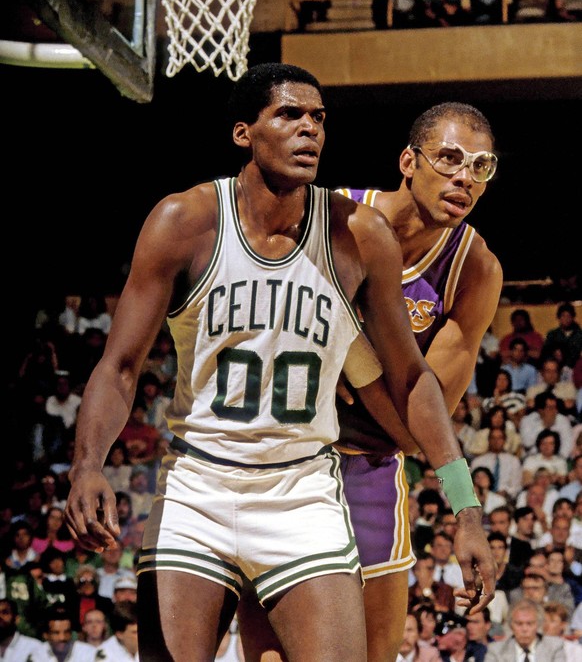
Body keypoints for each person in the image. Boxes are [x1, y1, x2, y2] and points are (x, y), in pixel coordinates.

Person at [64, 65, 495, 662]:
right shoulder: (183, 221)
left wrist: (464, 505)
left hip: (305, 491)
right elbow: (118, 366)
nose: (309, 129)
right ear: (244, 132)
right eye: (289, 115)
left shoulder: (361, 235)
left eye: (318, 118)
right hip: (200, 484)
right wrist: (88, 463)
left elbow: (414, 379)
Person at [239, 101, 501, 662]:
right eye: (450, 158)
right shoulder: (332, 218)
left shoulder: (474, 267)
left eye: (481, 167)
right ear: (409, 160)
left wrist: (347, 354)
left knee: (373, 655)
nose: (464, 177)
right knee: (269, 655)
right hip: (281, 457)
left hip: (370, 467)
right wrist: (376, 380)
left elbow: (414, 431)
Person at [484, 598, 566, 660]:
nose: (524, 629)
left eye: (530, 624)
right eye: (519, 624)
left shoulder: (555, 647)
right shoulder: (496, 650)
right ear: (511, 625)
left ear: (538, 624)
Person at [544, 303, 582, 371]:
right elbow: (545, 353)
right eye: (563, 316)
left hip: (574, 369)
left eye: (569, 316)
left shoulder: (579, 334)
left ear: (573, 317)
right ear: (558, 317)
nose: (566, 319)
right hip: (556, 369)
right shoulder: (552, 334)